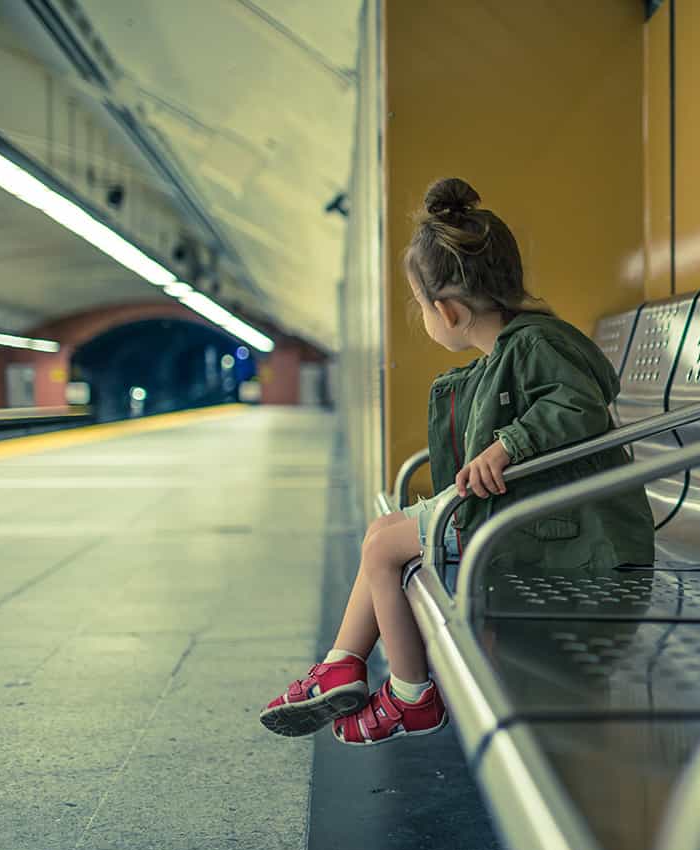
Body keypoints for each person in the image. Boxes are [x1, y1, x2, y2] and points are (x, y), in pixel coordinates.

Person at [259, 177, 655, 746]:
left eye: (418, 305)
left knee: (383, 545)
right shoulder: (509, 352)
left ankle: (409, 693)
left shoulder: (536, 345)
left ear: (445, 310)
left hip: (570, 539)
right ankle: (344, 664)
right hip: (540, 521)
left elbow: (582, 401)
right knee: (384, 534)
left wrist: (510, 444)